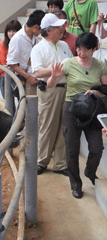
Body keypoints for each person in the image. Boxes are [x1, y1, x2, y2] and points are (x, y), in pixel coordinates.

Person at [47, 32, 107, 198]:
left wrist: (96, 91)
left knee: (97, 147)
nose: (81, 53)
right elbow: (50, 85)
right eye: (79, 49)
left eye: (85, 50)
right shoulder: (69, 63)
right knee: (72, 150)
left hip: (93, 109)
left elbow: (105, 89)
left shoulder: (100, 65)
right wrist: (54, 77)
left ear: (93, 49)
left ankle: (89, 171)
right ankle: (76, 184)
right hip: (72, 108)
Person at [31, 13, 72, 176]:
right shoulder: (38, 49)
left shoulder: (64, 45)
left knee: (64, 126)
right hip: (50, 90)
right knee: (47, 126)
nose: (62, 29)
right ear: (48, 31)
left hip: (67, 88)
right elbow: (37, 72)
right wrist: (55, 70)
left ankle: (60, 164)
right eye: (58, 27)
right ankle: (41, 161)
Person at [7, 10, 45, 98]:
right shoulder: (17, 39)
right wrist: (28, 77)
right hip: (27, 80)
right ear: (36, 27)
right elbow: (12, 63)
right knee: (28, 108)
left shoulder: (35, 37)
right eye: (42, 29)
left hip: (36, 78)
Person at [0, 20, 22, 97]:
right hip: (5, 75)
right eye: (9, 31)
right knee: (8, 101)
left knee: (21, 99)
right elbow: (4, 62)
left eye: (14, 31)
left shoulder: (22, 42)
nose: (11, 34)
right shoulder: (4, 43)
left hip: (20, 75)